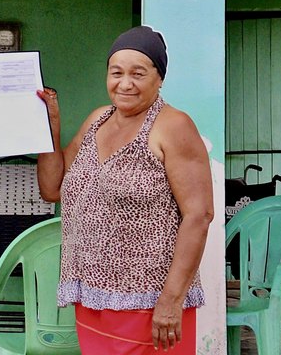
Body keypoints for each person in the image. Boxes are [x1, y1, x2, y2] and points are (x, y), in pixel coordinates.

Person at [36, 25, 214, 354]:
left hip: (151, 302)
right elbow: (52, 188)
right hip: (93, 297)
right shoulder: (98, 120)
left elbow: (198, 215)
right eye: (116, 72)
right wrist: (49, 123)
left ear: (159, 78)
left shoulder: (173, 126)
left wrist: (171, 301)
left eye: (138, 73)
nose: (125, 83)